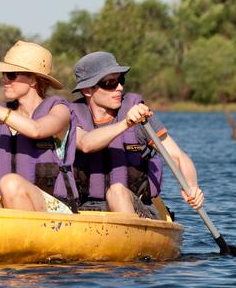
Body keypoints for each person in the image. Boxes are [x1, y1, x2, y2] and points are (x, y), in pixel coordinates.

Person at [71, 51, 205, 218]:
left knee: (117, 191)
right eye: (110, 83)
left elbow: (178, 156)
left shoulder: (140, 115)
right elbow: (86, 144)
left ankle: (126, 239)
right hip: (85, 210)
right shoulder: (70, 116)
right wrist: (125, 123)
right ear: (87, 90)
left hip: (137, 207)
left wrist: (191, 186)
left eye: (120, 80)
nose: (119, 87)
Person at [0, 41, 80, 213]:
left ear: (33, 80)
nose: (5, 79)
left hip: (55, 209)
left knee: (10, 183)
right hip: (10, 206)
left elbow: (36, 130)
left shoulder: (60, 110)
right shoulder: (0, 122)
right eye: (4, 74)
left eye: (11, 75)